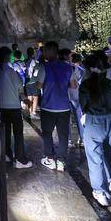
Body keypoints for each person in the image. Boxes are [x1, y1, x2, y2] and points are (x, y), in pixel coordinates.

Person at [79, 54, 111, 207]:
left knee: (94, 156)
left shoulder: (85, 85)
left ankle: (99, 191)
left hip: (95, 121)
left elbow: (83, 105)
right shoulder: (110, 84)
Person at [37, 41, 77, 172]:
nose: (44, 53)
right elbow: (73, 86)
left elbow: (39, 85)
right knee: (63, 135)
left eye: (46, 51)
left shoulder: (44, 67)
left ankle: (49, 158)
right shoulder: (67, 67)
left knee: (47, 133)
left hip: (48, 106)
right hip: (64, 106)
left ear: (51, 52)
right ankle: (61, 161)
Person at [0, 46, 33, 169]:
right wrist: (26, 100)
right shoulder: (11, 72)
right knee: (18, 133)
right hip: (13, 106)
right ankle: (20, 159)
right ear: (6, 57)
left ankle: (7, 155)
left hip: (2, 106)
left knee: (6, 132)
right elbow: (20, 88)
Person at [69, 53, 85, 146]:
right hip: (77, 96)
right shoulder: (81, 70)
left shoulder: (69, 68)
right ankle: (82, 138)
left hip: (69, 96)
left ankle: (69, 140)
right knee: (79, 118)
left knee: (68, 119)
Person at [24, 47, 41, 119]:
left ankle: (30, 112)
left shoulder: (25, 60)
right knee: (35, 97)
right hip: (34, 81)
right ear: (33, 53)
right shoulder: (34, 61)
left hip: (27, 82)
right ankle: (33, 112)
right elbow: (37, 70)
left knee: (29, 97)